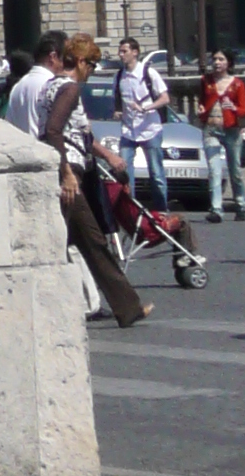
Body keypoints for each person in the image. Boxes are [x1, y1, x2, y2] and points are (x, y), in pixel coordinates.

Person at [42, 32, 150, 329]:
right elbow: (53, 131)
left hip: (71, 170)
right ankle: (127, 307)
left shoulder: (49, 85)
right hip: (70, 174)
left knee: (79, 240)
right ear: (78, 61)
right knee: (89, 240)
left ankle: (128, 307)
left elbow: (74, 134)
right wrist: (65, 173)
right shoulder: (70, 88)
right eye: (90, 64)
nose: (91, 70)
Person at [115, 36, 171, 207]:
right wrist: (117, 111)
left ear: (135, 52)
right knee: (124, 171)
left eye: (124, 51)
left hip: (150, 129)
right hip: (129, 131)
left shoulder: (148, 73)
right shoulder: (119, 76)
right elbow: (118, 100)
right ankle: (130, 208)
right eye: (120, 51)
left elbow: (165, 98)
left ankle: (161, 209)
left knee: (156, 173)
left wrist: (145, 108)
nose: (120, 55)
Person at [199, 50, 245, 221]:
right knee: (214, 171)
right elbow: (202, 102)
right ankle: (216, 209)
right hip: (211, 128)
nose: (217, 62)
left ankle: (240, 203)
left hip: (231, 130)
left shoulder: (237, 84)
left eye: (221, 59)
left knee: (235, 169)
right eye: (214, 59)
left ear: (228, 63)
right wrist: (201, 111)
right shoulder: (206, 81)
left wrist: (234, 108)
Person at [6, 33, 69, 139]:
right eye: (66, 58)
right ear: (53, 57)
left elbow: (9, 127)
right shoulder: (54, 85)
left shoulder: (19, 86)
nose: (68, 64)